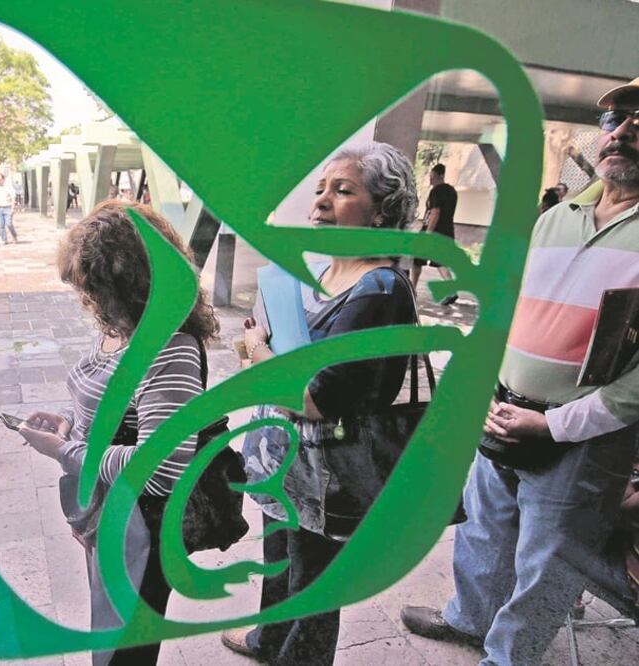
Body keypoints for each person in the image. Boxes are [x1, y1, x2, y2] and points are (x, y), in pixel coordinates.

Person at [401, 75, 639, 666]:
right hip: (506, 406)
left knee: (551, 561)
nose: (624, 133)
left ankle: (511, 656)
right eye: (615, 120)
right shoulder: (558, 216)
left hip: (583, 437)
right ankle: (470, 618)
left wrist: (555, 427)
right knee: (485, 526)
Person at [221, 142, 419, 666]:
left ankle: (298, 657)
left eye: (343, 189)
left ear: (382, 209)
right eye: (320, 190)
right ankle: (268, 641)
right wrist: (262, 346)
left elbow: (316, 397)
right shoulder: (320, 271)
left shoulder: (378, 287)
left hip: (327, 474)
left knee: (313, 585)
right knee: (279, 561)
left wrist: (261, 353)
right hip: (283, 462)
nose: (320, 202)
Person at [17, 200, 219, 665]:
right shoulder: (124, 329)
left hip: (141, 529)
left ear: (126, 285)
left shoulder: (172, 349)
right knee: (108, 636)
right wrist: (70, 423)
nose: (87, 302)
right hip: (110, 518)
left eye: (92, 289)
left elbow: (161, 467)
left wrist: (67, 450)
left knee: (125, 650)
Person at [410, 163, 459, 305]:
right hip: (447, 232)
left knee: (417, 259)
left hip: (433, 231)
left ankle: (412, 289)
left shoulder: (437, 191)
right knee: (440, 262)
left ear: (440, 176)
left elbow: (435, 212)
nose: (431, 180)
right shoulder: (452, 191)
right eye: (430, 177)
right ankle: (452, 290)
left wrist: (428, 233)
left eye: (433, 177)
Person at [0, 173, 18, 245]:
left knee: (9, 224)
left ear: (3, 179)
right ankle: (4, 239)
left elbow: (13, 197)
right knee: (1, 225)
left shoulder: (8, 187)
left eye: (0, 180)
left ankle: (14, 236)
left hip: (8, 208)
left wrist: (13, 208)